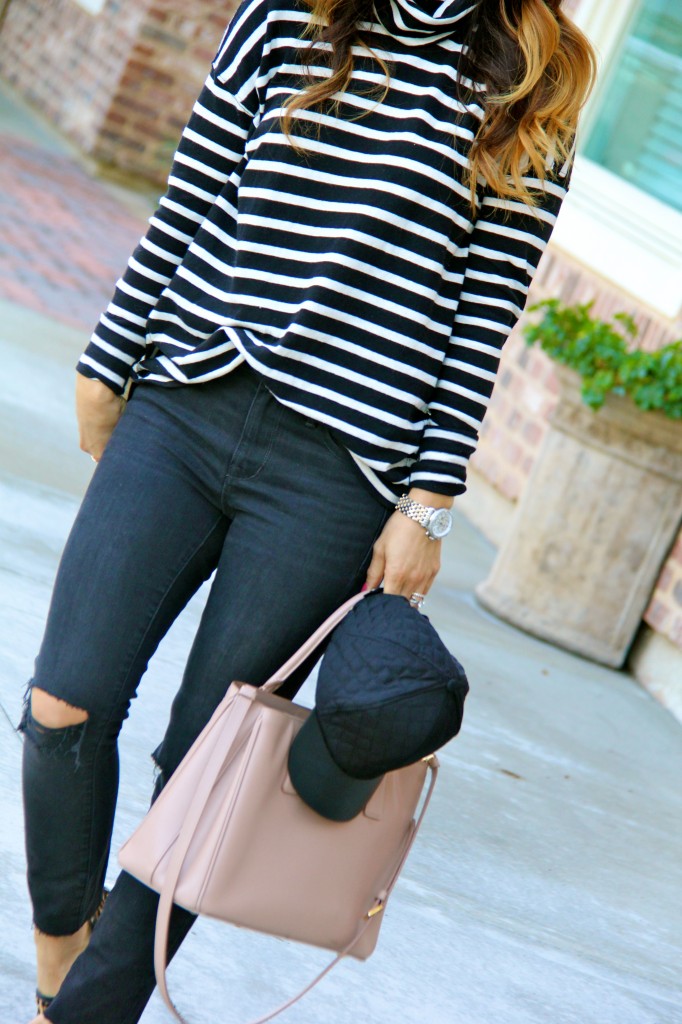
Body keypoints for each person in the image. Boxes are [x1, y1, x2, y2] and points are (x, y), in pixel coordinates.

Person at [21, 0, 595, 1020]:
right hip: (185, 403)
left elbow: (480, 319)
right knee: (63, 702)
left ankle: (88, 1012)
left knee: (209, 772)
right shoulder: (289, 14)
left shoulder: (532, 81)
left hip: (337, 477)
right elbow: (192, 197)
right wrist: (107, 359)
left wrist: (427, 500)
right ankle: (66, 948)